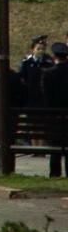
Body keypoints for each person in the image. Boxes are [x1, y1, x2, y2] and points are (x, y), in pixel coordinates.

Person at [43, 42, 68, 177]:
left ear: (54, 56)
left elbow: (46, 98)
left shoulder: (48, 74)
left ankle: (54, 173)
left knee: (55, 147)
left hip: (54, 119)